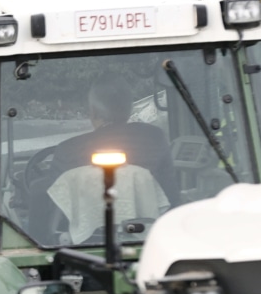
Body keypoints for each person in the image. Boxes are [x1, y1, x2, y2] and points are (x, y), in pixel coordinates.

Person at [44, 77, 180, 205]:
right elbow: (171, 196)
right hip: (147, 228)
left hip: (87, 230)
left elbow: (52, 206)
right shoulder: (154, 138)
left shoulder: (66, 151)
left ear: (94, 112)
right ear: (129, 109)